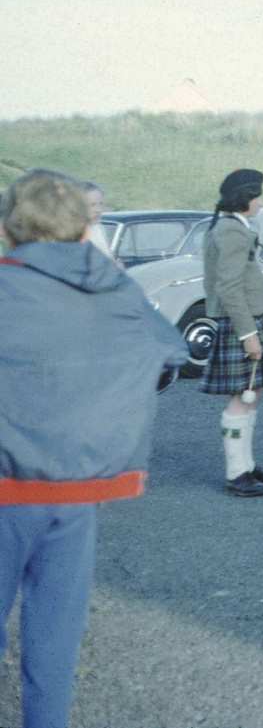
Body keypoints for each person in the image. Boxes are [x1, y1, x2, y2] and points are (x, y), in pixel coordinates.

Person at [1, 169, 187, 728]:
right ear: (85, 228)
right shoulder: (112, 286)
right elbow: (169, 351)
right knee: (55, 632)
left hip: (7, 487)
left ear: (11, 228)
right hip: (79, 490)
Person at [199, 169, 263, 497]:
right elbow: (229, 287)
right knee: (240, 397)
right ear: (244, 199)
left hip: (247, 321)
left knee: (252, 393)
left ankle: (246, 465)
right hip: (241, 323)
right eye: (257, 196)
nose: (261, 202)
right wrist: (248, 333)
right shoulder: (231, 231)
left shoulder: (232, 226)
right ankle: (236, 474)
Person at [79, 179, 113, 259]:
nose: (98, 210)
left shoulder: (98, 228)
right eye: (92, 205)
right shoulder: (72, 234)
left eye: (100, 204)